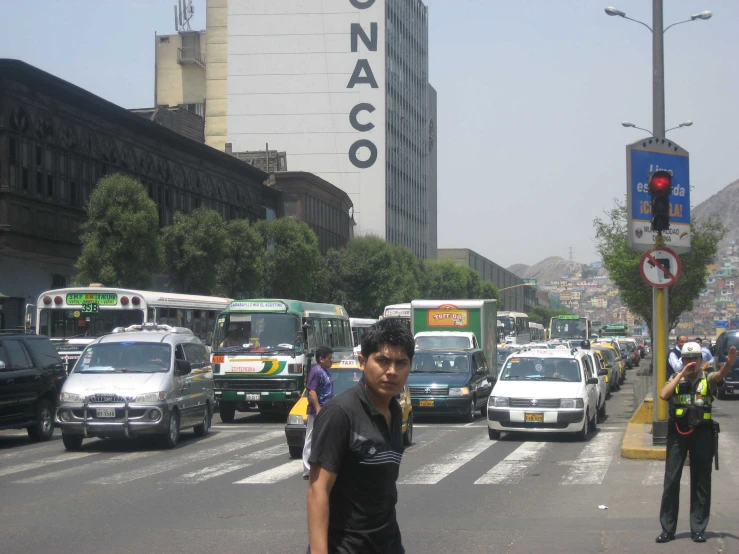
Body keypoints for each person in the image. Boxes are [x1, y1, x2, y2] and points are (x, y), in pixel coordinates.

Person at [306, 318, 414, 554]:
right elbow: (318, 489)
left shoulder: (395, 411)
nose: (392, 371)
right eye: (383, 361)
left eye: (401, 363)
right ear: (363, 362)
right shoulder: (339, 414)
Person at [656, 342, 739, 544]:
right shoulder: (676, 379)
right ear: (682, 360)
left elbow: (719, 377)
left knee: (701, 481)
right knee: (672, 480)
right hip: (678, 434)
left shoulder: (707, 378)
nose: (691, 362)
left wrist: (728, 364)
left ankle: (698, 528)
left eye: (695, 358)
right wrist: (681, 374)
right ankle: (668, 529)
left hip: (702, 434)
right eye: (687, 359)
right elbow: (664, 395)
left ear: (701, 359)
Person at [302, 346, 335, 480]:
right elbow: (312, 391)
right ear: (321, 359)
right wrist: (317, 408)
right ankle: (307, 470)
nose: (331, 360)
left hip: (327, 410)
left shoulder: (326, 371)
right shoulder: (316, 371)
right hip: (318, 411)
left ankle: (323, 466)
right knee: (311, 439)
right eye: (329, 358)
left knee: (325, 439)